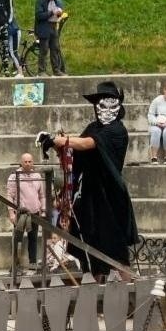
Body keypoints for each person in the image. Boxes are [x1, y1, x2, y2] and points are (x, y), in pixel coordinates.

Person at [43, 80, 138, 280]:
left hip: (110, 194)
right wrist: (54, 142)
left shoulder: (117, 131)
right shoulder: (93, 127)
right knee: (90, 245)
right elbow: (77, 144)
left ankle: (129, 290)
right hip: (90, 194)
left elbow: (87, 144)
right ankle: (97, 292)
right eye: (101, 104)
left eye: (111, 103)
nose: (105, 108)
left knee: (115, 248)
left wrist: (62, 140)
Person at [6, 153, 47, 269]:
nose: (28, 164)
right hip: (21, 213)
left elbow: (42, 195)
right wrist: (11, 213)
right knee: (17, 239)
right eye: (26, 162)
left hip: (34, 213)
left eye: (30, 161)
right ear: (21, 162)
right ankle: (15, 265)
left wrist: (43, 210)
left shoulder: (37, 176)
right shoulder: (14, 176)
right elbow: (9, 195)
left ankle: (32, 264)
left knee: (33, 239)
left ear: (33, 162)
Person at [33, 0, 67, 76]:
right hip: (44, 28)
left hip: (54, 27)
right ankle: (41, 71)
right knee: (43, 50)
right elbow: (39, 16)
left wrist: (60, 13)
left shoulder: (58, 1)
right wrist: (52, 12)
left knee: (55, 49)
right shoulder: (40, 1)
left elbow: (60, 13)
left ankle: (56, 70)